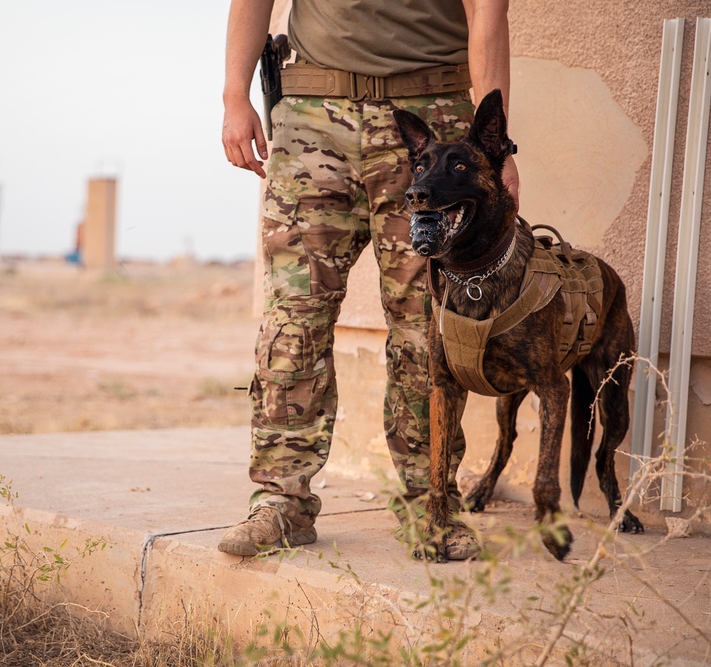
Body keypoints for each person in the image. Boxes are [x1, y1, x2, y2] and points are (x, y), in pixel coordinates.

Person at [219, 0, 519, 560]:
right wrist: (235, 94)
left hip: (429, 121)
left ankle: (431, 506)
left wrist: (495, 147)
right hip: (312, 115)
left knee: (424, 330)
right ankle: (280, 503)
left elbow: (487, 12)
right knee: (293, 321)